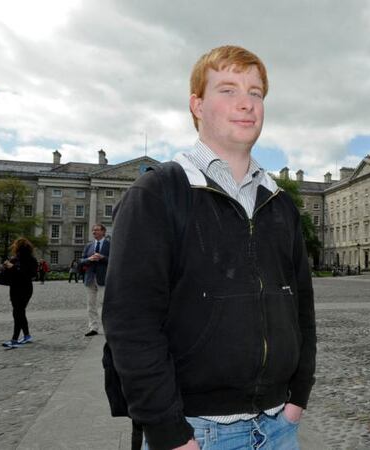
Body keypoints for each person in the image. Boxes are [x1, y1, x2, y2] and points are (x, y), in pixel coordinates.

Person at [103, 45, 316, 449]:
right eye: (228, 90)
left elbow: (302, 307)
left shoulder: (280, 203)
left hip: (279, 427)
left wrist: (298, 397)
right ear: (197, 105)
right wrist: (169, 433)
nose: (246, 103)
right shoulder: (157, 193)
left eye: (256, 92)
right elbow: (130, 323)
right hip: (197, 432)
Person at [0, 238, 38, 348]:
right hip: (16, 288)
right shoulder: (15, 259)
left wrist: (14, 267)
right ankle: (26, 335)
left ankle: (15, 339)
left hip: (24, 288)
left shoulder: (30, 260)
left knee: (18, 312)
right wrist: (5, 267)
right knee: (19, 312)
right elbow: (9, 274)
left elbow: (31, 275)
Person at [80, 224, 109, 337]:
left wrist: (103, 258)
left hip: (104, 278)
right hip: (90, 278)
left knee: (105, 304)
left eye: (96, 230)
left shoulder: (109, 245)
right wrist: (89, 259)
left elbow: (115, 260)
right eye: (93, 230)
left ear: (103, 232)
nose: (94, 232)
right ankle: (93, 328)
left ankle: (108, 327)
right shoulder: (89, 245)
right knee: (90, 304)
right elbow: (81, 260)